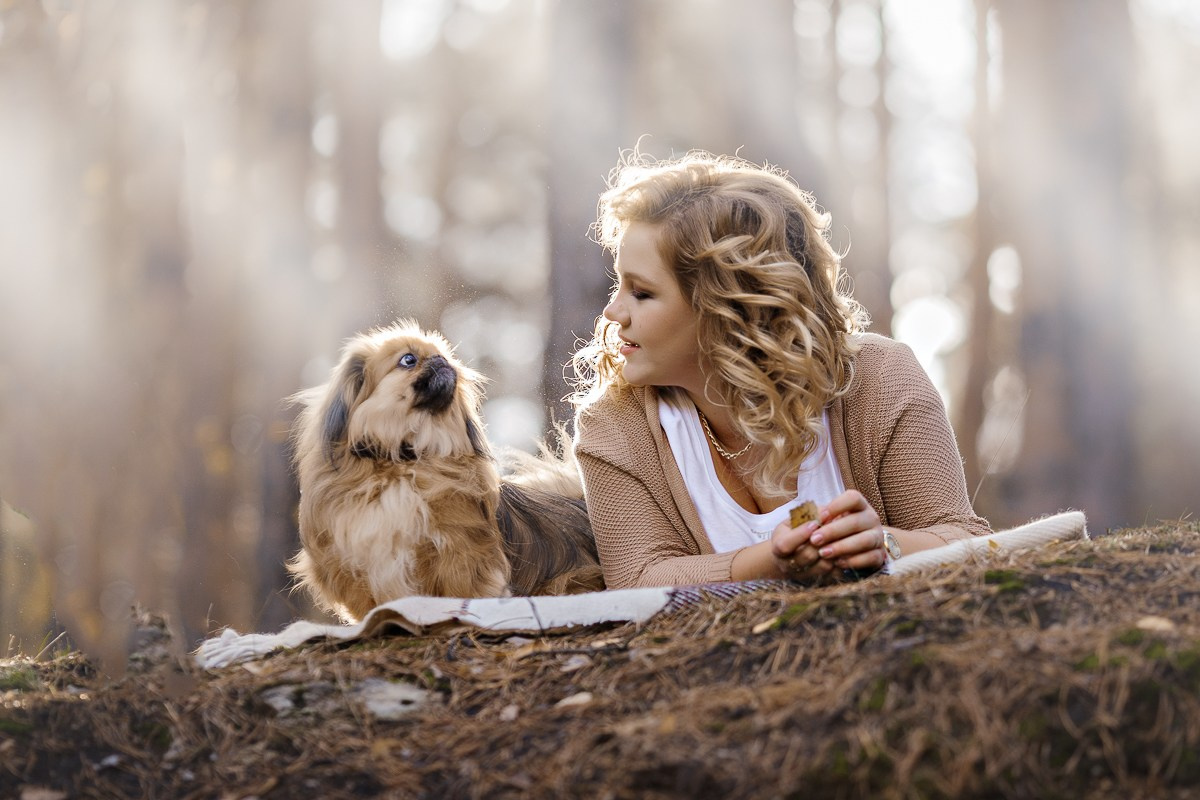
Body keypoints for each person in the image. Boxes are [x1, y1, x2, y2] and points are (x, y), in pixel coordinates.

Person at [569, 151, 991, 590]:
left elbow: (967, 538)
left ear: (728, 307)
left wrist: (886, 543)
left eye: (641, 293)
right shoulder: (614, 424)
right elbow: (637, 578)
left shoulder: (881, 380)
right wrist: (770, 560)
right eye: (620, 284)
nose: (613, 311)